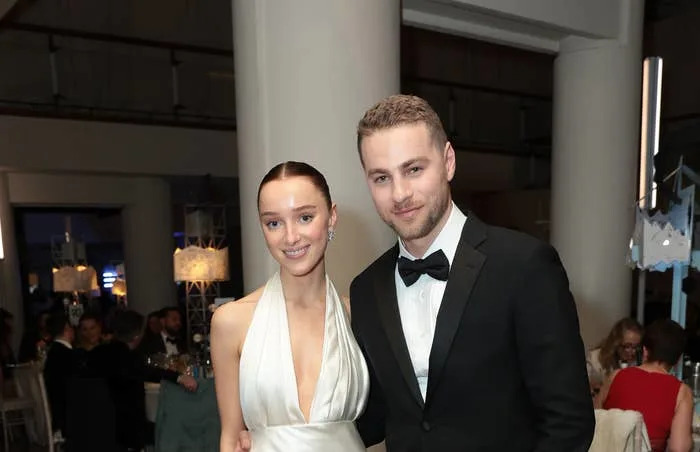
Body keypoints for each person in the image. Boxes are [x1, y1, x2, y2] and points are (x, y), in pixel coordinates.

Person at [347, 94, 594, 451]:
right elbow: (373, 418)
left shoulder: (525, 266)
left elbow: (568, 422)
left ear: (448, 162)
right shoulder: (366, 288)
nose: (399, 193)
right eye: (381, 177)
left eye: (414, 169)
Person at [211, 161, 368, 452]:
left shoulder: (359, 315)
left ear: (332, 218)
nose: (291, 237)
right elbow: (231, 439)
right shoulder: (231, 322)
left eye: (305, 217)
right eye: (274, 223)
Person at [86, 310, 198, 451]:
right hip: (126, 430)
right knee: (177, 429)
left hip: (95, 426)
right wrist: (179, 377)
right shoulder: (128, 357)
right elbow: (149, 372)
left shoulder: (97, 353)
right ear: (137, 336)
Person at [596, 319, 692, 452]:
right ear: (678, 359)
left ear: (645, 351)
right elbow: (678, 448)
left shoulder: (615, 376)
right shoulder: (682, 392)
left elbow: (594, 420)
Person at [587, 317, 643, 394]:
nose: (632, 352)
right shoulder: (595, 358)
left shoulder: (641, 361)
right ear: (616, 343)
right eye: (627, 346)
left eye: (636, 347)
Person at [43, 312, 76, 438]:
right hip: (68, 415)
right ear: (67, 328)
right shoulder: (67, 355)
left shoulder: (53, 353)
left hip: (58, 413)